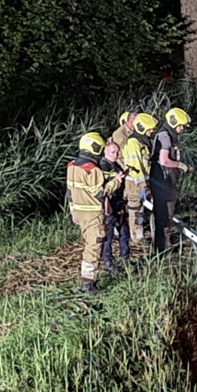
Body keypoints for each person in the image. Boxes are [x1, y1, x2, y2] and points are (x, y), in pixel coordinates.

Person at [66, 132, 110, 293]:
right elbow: (100, 193)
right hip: (92, 214)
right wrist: (116, 182)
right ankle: (88, 283)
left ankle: (88, 280)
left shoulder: (71, 166)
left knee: (88, 244)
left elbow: (69, 192)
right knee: (93, 247)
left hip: (79, 212)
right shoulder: (93, 170)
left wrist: (73, 211)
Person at [149, 107, 193, 254]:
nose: (181, 129)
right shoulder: (165, 136)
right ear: (174, 123)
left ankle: (164, 245)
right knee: (163, 216)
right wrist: (181, 166)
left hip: (166, 182)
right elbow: (163, 160)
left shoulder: (167, 135)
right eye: (181, 126)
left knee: (166, 215)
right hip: (162, 182)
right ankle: (160, 251)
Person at [122, 112, 157, 245]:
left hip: (145, 183)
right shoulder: (133, 143)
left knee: (145, 210)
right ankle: (137, 238)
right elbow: (135, 165)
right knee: (136, 211)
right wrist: (143, 185)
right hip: (135, 183)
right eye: (150, 129)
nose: (152, 131)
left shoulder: (145, 141)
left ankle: (148, 233)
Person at [98, 141, 129, 272]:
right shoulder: (102, 166)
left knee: (124, 233)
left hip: (119, 202)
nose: (115, 155)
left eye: (117, 152)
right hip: (109, 204)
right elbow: (103, 188)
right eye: (112, 152)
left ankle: (125, 259)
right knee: (108, 235)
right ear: (105, 151)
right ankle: (106, 260)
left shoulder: (115, 165)